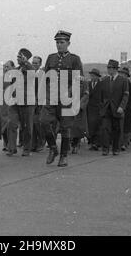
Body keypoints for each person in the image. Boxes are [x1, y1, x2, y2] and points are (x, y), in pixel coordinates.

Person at [40, 30, 83, 167]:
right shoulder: (50, 57)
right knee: (43, 121)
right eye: (57, 42)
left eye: (62, 42)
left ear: (68, 43)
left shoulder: (75, 59)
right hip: (51, 96)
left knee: (65, 127)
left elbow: (79, 80)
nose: (59, 45)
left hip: (67, 99)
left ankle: (64, 156)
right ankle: (53, 148)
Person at [6, 48, 35, 157]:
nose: (17, 58)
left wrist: (26, 63)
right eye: (17, 56)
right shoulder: (16, 70)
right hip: (15, 102)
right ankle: (11, 148)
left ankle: (27, 148)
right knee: (11, 124)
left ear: (25, 58)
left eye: (20, 57)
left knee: (27, 126)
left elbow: (32, 72)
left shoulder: (30, 69)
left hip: (27, 102)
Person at [98, 59, 129, 155]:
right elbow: (101, 95)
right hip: (106, 109)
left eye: (110, 68)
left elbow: (125, 95)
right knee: (105, 129)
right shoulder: (104, 80)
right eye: (108, 67)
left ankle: (115, 149)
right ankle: (105, 148)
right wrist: (102, 106)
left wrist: (121, 107)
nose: (108, 70)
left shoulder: (123, 80)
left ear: (115, 69)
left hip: (117, 109)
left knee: (116, 129)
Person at [31, 56, 45, 152]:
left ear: (40, 64)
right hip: (30, 102)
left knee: (39, 124)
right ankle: (33, 144)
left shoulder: (43, 74)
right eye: (33, 63)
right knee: (31, 124)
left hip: (40, 102)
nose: (34, 65)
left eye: (36, 63)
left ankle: (41, 143)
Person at [86, 68, 103, 151]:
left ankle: (96, 143)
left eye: (93, 76)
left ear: (97, 77)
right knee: (90, 126)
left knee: (98, 126)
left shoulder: (102, 85)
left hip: (98, 108)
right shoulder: (88, 84)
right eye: (91, 75)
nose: (92, 77)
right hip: (90, 108)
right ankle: (92, 142)